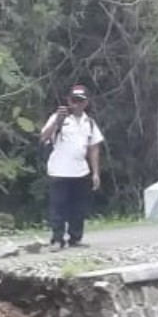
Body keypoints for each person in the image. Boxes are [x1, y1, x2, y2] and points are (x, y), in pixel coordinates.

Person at [37, 84, 104, 250]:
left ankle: (75, 237)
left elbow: (94, 147)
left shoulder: (89, 122)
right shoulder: (58, 117)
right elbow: (43, 138)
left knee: (79, 207)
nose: (77, 104)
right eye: (74, 100)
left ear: (86, 102)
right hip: (59, 170)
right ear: (68, 100)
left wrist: (95, 173)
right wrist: (57, 122)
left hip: (80, 170)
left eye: (80, 101)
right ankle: (57, 239)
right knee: (58, 206)